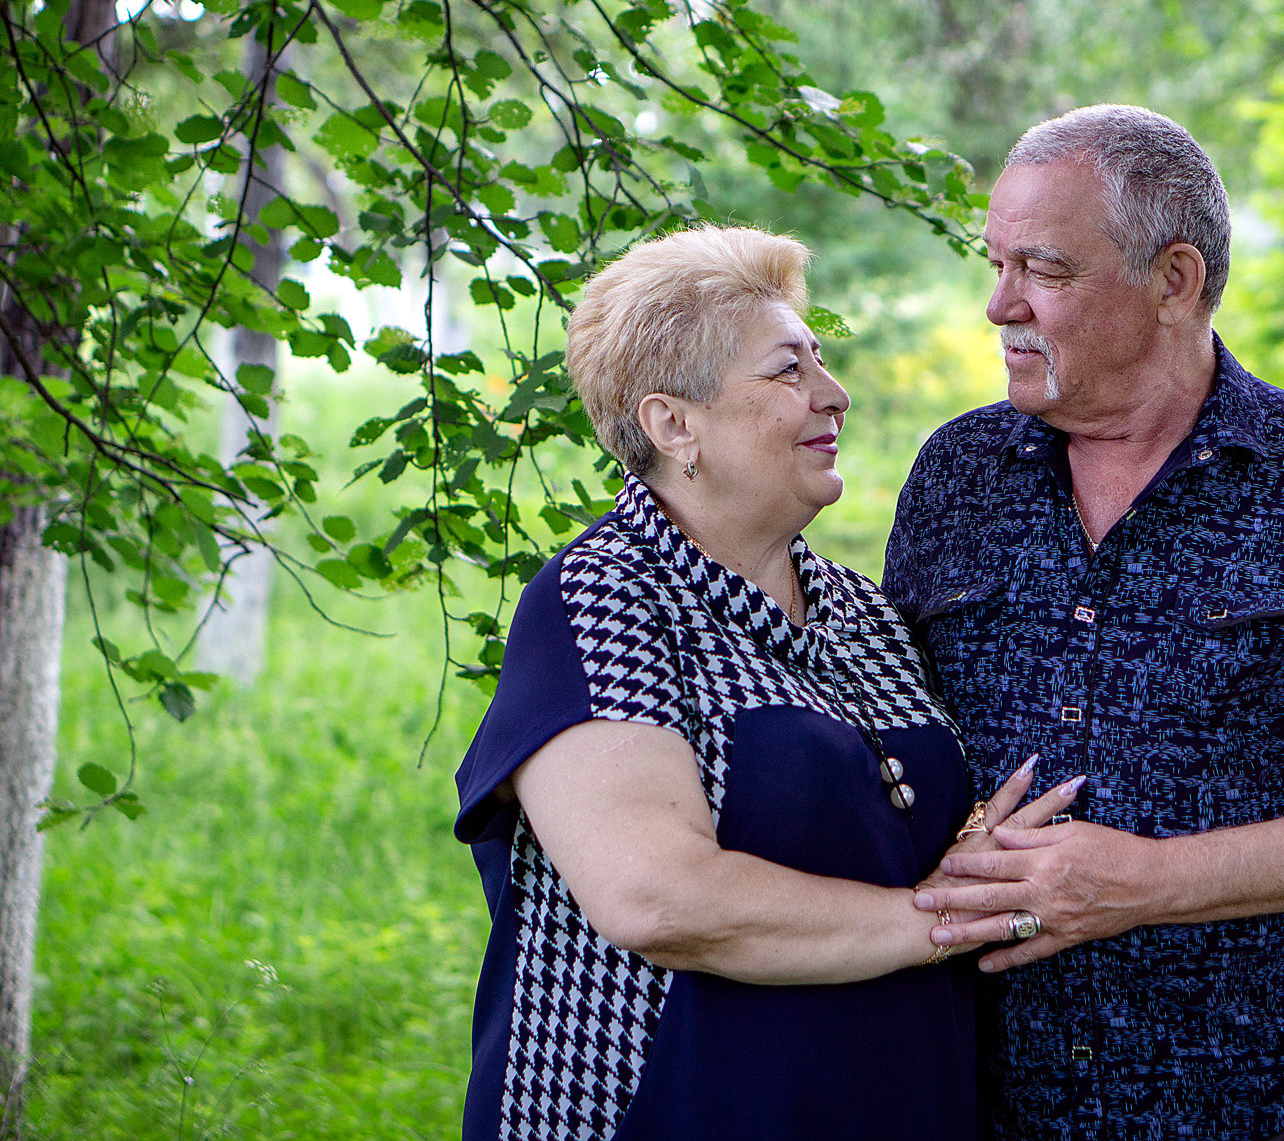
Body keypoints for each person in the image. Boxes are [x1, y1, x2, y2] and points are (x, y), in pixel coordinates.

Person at [887, 106, 1284, 1140]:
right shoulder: (956, 474)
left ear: (1173, 279)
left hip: (1261, 1094)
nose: (1000, 305)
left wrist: (1147, 883)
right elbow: (894, 743)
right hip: (985, 1092)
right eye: (994, 264)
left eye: (1043, 269)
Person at [453, 225, 1067, 1141]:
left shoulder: (862, 610)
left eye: (821, 361)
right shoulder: (604, 596)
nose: (834, 394)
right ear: (673, 423)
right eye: (788, 371)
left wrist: (981, 854)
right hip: (679, 1107)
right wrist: (937, 922)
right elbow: (655, 897)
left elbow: (893, 824)